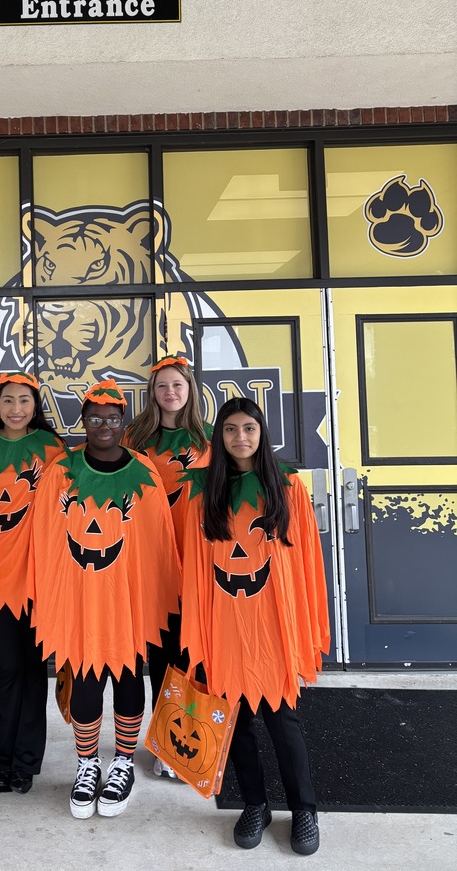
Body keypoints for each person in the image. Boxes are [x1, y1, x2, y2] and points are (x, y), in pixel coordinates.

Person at [180, 397, 330, 856]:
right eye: (229, 430)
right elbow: (195, 569)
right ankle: (255, 804)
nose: (239, 437)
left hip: (273, 621)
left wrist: (305, 623)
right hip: (226, 623)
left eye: (248, 428)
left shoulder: (288, 488)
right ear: (218, 437)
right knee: (236, 721)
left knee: (282, 719)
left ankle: (303, 809)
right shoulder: (203, 492)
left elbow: (306, 561)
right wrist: (198, 634)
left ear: (262, 433)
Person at [31, 380, 180, 819]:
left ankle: (122, 764)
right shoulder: (61, 471)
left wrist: (155, 598)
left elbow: (158, 543)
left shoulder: (145, 471)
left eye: (112, 419)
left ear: (123, 423)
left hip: (127, 599)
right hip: (79, 596)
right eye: (94, 418)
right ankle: (86, 763)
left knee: (131, 677)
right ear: (83, 422)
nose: (103, 426)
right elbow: (45, 537)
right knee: (86, 679)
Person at [0, 371, 66, 794]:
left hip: (39, 575)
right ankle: (2, 756)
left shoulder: (52, 449)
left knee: (34, 669)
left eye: (24, 401)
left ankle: (26, 763)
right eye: (8, 400)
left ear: (36, 406)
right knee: (8, 667)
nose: (15, 408)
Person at [124, 354, 212, 778]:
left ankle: (195, 742)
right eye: (162, 386)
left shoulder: (210, 440)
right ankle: (164, 741)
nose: (170, 392)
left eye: (177, 384)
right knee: (160, 654)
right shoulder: (135, 440)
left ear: (190, 389)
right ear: (152, 393)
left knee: (195, 653)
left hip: (200, 562)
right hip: (154, 562)